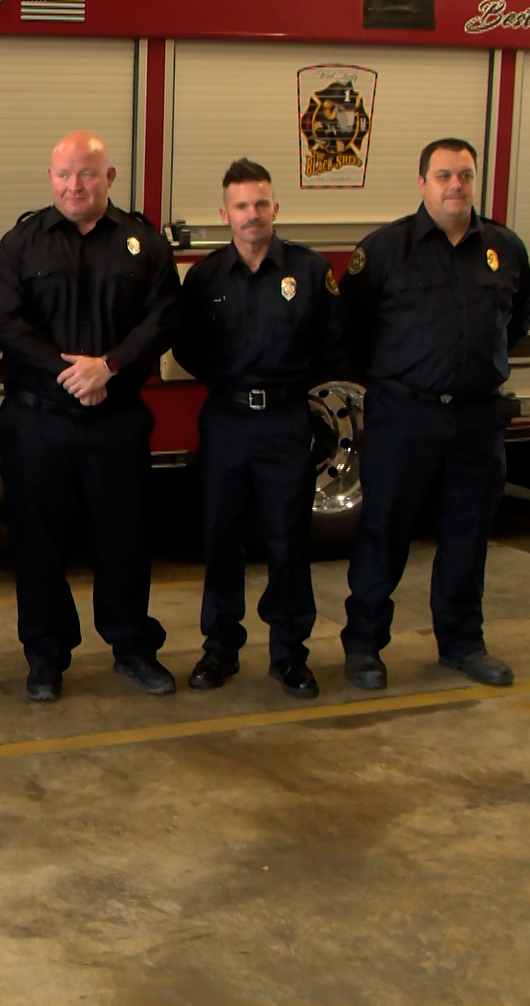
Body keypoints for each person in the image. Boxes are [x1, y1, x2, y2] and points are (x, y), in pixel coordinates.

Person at [0, 131, 182, 701]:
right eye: (64, 174)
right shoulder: (21, 243)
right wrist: (72, 375)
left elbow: (164, 318)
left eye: (87, 174)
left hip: (116, 418)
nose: (75, 185)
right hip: (37, 419)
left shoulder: (144, 242)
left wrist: (111, 367)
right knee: (37, 541)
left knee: (124, 537)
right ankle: (45, 656)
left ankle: (133, 647)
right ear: (50, 178)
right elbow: (7, 323)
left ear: (110, 178)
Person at [339, 137, 530, 691]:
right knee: (384, 532)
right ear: (421, 181)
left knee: (467, 535)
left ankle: (462, 643)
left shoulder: (505, 248)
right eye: (444, 175)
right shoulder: (382, 251)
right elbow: (351, 330)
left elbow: (515, 323)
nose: (456, 186)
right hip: (405, 417)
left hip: (476, 420)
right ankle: (364, 647)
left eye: (465, 176)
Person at [174, 158, 343, 699]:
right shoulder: (204, 277)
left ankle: (290, 654)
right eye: (242, 205)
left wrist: (287, 387)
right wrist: (231, 384)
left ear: (276, 208)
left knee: (288, 540)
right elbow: (187, 346)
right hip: (225, 419)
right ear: (225, 213)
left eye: (261, 203)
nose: (253, 215)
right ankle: (219, 648)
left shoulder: (311, 272)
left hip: (286, 421)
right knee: (220, 537)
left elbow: (333, 342)